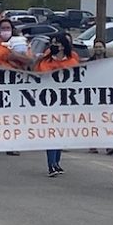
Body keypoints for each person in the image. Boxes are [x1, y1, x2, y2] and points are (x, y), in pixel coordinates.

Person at [35, 33, 79, 177]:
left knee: (60, 134)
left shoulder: (72, 61)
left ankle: (57, 162)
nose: (55, 46)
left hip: (66, 103)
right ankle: (51, 164)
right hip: (48, 103)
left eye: (58, 43)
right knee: (51, 134)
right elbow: (42, 78)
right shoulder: (45, 62)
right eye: (53, 43)